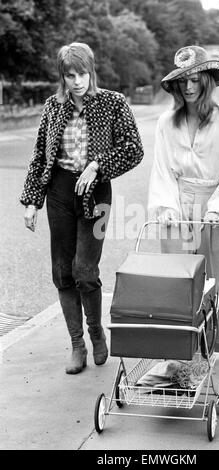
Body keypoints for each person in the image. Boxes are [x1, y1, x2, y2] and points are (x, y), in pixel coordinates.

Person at [20, 42, 144, 374]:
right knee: (62, 272)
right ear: (62, 76)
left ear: (92, 71)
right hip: (59, 192)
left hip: (96, 192)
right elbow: (39, 157)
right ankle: (77, 344)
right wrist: (32, 201)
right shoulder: (53, 106)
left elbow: (133, 148)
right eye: (70, 75)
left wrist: (97, 166)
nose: (77, 81)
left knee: (85, 270)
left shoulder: (112, 103)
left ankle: (95, 332)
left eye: (83, 73)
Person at [148, 45, 219, 357]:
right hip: (177, 204)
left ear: (207, 80)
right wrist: (166, 207)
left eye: (194, 79)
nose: (188, 87)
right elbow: (161, 169)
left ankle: (214, 345)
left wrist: (217, 208)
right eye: (182, 81)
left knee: (217, 280)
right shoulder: (166, 122)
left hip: (215, 205)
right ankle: (179, 349)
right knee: (177, 282)